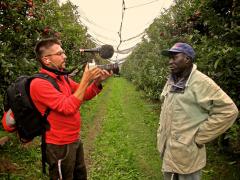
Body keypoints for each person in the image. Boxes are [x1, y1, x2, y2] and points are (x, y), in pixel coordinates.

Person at [31, 37, 112, 179]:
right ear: (46, 60)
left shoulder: (62, 78)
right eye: (60, 53)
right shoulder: (39, 84)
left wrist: (97, 82)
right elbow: (68, 107)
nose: (65, 56)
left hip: (74, 138)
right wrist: (85, 79)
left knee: (80, 175)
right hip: (58, 145)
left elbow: (84, 95)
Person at [157, 42, 239, 180]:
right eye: (169, 58)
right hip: (169, 150)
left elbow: (229, 110)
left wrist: (201, 137)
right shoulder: (172, 80)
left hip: (188, 153)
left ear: (187, 58)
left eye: (174, 57)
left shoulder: (201, 82)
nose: (170, 62)